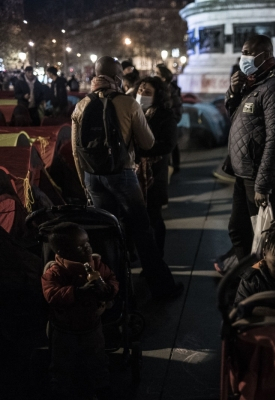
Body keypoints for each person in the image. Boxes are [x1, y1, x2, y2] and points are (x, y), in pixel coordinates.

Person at [71, 56, 183, 300]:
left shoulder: (81, 105)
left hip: (93, 177)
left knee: (107, 232)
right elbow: (148, 142)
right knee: (142, 230)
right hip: (122, 174)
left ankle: (114, 290)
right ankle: (162, 287)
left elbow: (76, 150)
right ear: (118, 78)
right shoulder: (128, 103)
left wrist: (85, 183)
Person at [225, 35, 275, 262]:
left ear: (265, 55)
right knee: (239, 231)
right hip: (244, 172)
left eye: (247, 52)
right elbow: (240, 119)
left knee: (263, 239)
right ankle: (249, 282)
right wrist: (234, 93)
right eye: (243, 52)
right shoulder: (256, 81)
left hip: (259, 176)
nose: (243, 58)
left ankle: (263, 288)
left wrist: (263, 185)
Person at [41, 222, 118, 399]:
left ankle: (102, 385)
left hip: (92, 325)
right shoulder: (55, 272)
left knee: (98, 357)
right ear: (63, 252)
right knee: (61, 361)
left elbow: (112, 279)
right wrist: (77, 291)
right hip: (64, 327)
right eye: (81, 246)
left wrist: (108, 290)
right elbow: (51, 295)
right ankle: (59, 388)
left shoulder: (97, 264)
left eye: (87, 242)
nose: (87, 247)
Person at [134, 77, 178, 258]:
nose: (142, 94)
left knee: (154, 216)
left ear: (157, 96)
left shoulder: (165, 115)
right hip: (135, 173)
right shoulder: (134, 113)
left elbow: (168, 145)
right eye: (140, 90)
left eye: (147, 92)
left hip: (155, 173)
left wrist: (142, 147)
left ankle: (156, 256)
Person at [155, 63, 183, 173]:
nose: (155, 75)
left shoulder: (169, 89)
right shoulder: (161, 88)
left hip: (169, 121)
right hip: (167, 121)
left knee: (172, 144)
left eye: (157, 73)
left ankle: (175, 166)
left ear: (163, 76)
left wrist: (172, 120)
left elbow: (177, 107)